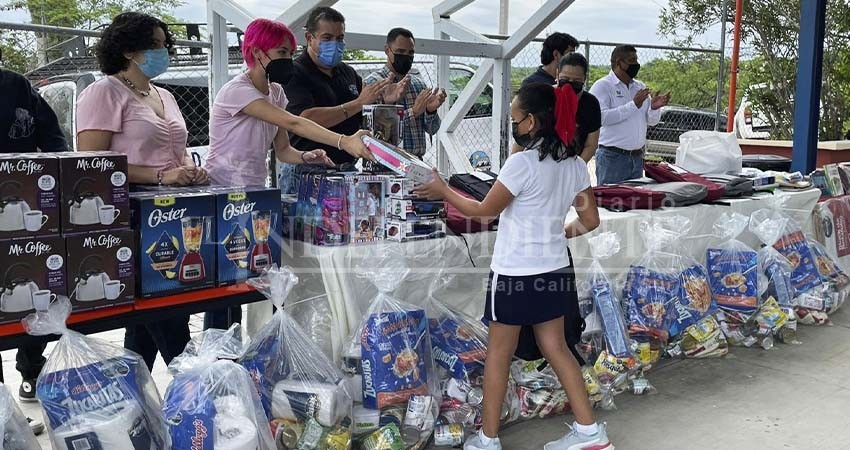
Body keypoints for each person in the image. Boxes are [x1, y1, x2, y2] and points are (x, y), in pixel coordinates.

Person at [415, 83, 610, 450]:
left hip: (515, 275)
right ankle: (590, 433)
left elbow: (484, 211)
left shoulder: (521, 163)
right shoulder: (574, 166)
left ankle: (488, 438)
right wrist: (555, 234)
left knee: (498, 355)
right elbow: (591, 221)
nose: (513, 125)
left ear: (532, 121)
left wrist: (443, 189)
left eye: (515, 118)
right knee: (557, 348)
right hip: (554, 270)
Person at [202, 17, 374, 330]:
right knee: (224, 288)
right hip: (221, 193)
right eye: (281, 52)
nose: (287, 60)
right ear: (257, 53)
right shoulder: (237, 91)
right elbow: (295, 123)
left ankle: (251, 346)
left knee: (249, 278)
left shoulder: (276, 92)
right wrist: (342, 141)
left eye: (288, 52)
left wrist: (307, 155)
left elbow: (283, 149)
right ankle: (218, 356)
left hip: (254, 196)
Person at [76, 12, 198, 370]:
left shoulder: (164, 95)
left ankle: (133, 401)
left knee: (149, 320)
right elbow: (92, 164)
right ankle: (200, 388)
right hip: (130, 217)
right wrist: (162, 176)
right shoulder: (104, 92)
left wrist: (190, 173)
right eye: (155, 45)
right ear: (129, 50)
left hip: (171, 214)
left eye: (165, 45)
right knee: (169, 319)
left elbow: (175, 154)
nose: (164, 52)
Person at [0, 64, 67, 436]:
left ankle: (31, 370)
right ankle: (4, 417)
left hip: (23, 211)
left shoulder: (16, 86)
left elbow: (54, 140)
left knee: (31, 293)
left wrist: (52, 180)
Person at [284, 6, 392, 166]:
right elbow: (305, 119)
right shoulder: (294, 73)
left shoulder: (348, 72)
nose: (335, 44)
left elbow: (362, 118)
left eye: (339, 38)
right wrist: (358, 103)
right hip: (307, 169)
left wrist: (384, 104)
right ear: (309, 38)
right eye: (327, 38)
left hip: (346, 167)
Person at [589, 45, 670, 185]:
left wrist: (655, 108)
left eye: (636, 60)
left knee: (634, 204)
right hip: (612, 158)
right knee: (612, 204)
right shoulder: (603, 86)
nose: (636, 64)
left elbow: (651, 121)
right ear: (619, 62)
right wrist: (633, 105)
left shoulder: (639, 87)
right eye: (632, 60)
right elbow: (601, 118)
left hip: (637, 158)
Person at [364, 27, 447, 158]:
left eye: (410, 53)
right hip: (385, 163)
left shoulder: (418, 84)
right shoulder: (374, 85)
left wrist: (430, 111)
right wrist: (413, 112)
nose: (406, 57)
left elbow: (432, 129)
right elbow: (374, 134)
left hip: (416, 162)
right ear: (387, 50)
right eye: (400, 51)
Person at [556, 52, 601, 162]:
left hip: (574, 161)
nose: (569, 85)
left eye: (576, 81)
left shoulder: (591, 103)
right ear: (557, 75)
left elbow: (591, 144)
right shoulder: (546, 97)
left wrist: (576, 169)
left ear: (584, 79)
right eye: (565, 79)